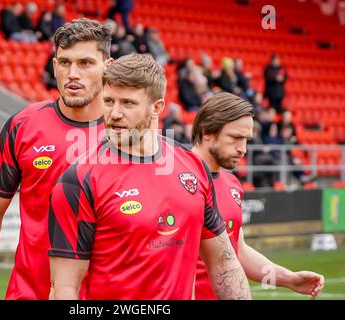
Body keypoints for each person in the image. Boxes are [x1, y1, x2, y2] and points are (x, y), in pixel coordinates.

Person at [48, 54, 250, 300]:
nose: (114, 114)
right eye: (109, 101)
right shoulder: (78, 180)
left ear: (157, 107)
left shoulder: (193, 168)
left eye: (128, 103)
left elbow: (224, 263)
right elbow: (64, 288)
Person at [0, 18, 113, 300]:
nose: (73, 73)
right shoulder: (23, 126)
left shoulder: (129, 135)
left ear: (108, 66)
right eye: (65, 62)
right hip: (28, 293)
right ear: (54, 66)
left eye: (85, 63)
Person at [190, 92, 324, 300]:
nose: (243, 149)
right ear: (207, 131)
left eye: (246, 140)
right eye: (235, 138)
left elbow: (239, 251)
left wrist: (288, 279)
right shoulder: (175, 180)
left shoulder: (232, 183)